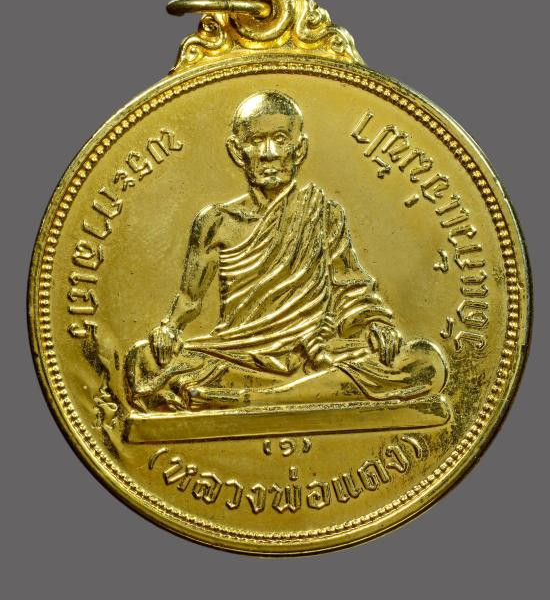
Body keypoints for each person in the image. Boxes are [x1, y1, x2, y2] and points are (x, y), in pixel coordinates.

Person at [125, 91, 447, 412]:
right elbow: (189, 299)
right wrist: (169, 330)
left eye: (280, 139)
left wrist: (376, 325)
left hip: (312, 352)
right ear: (237, 151)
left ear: (299, 148)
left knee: (425, 361)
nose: (268, 153)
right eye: (256, 141)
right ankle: (294, 396)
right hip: (238, 356)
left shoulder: (324, 213)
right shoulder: (216, 222)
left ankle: (248, 400)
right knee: (143, 364)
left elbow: (351, 288)